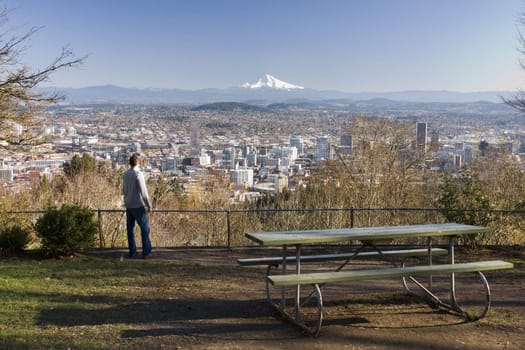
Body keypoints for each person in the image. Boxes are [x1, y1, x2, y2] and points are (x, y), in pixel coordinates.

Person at [122, 154, 153, 258]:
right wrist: (149, 205)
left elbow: (124, 190)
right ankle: (146, 251)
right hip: (138, 205)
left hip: (128, 204)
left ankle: (132, 251)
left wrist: (126, 200)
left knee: (130, 229)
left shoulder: (125, 174)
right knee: (145, 228)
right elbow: (143, 192)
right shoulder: (138, 174)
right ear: (138, 162)